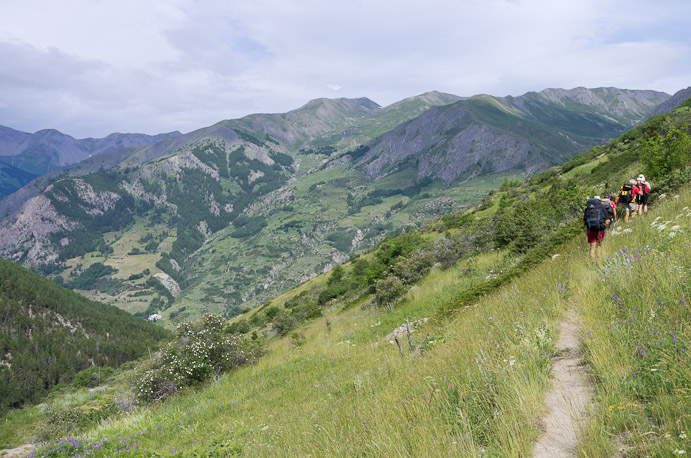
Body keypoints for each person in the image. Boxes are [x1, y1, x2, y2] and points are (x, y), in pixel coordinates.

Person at [584, 196, 610, 262]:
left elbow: (584, 221)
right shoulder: (602, 209)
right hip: (600, 230)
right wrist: (604, 226)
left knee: (592, 248)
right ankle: (599, 260)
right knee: (599, 246)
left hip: (590, 230)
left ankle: (592, 263)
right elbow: (607, 221)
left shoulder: (587, 210)